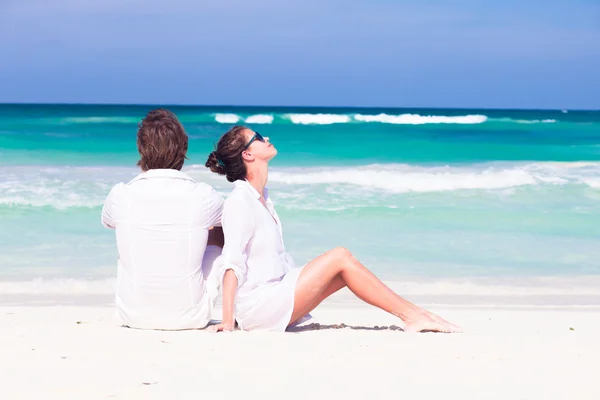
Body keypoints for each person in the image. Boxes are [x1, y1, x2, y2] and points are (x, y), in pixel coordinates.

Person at [205, 126, 462, 333]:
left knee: (342, 273)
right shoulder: (240, 201)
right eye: (258, 138)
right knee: (340, 256)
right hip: (260, 307)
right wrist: (229, 320)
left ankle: (417, 314)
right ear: (248, 155)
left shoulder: (263, 198)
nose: (267, 137)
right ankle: (414, 315)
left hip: (277, 291)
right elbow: (232, 264)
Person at [102, 108, 225, 330]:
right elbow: (235, 226)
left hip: (132, 315)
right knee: (221, 230)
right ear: (183, 149)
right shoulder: (202, 195)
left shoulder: (121, 194)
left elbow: (109, 222)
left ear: (141, 149)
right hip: (191, 316)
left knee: (131, 232)